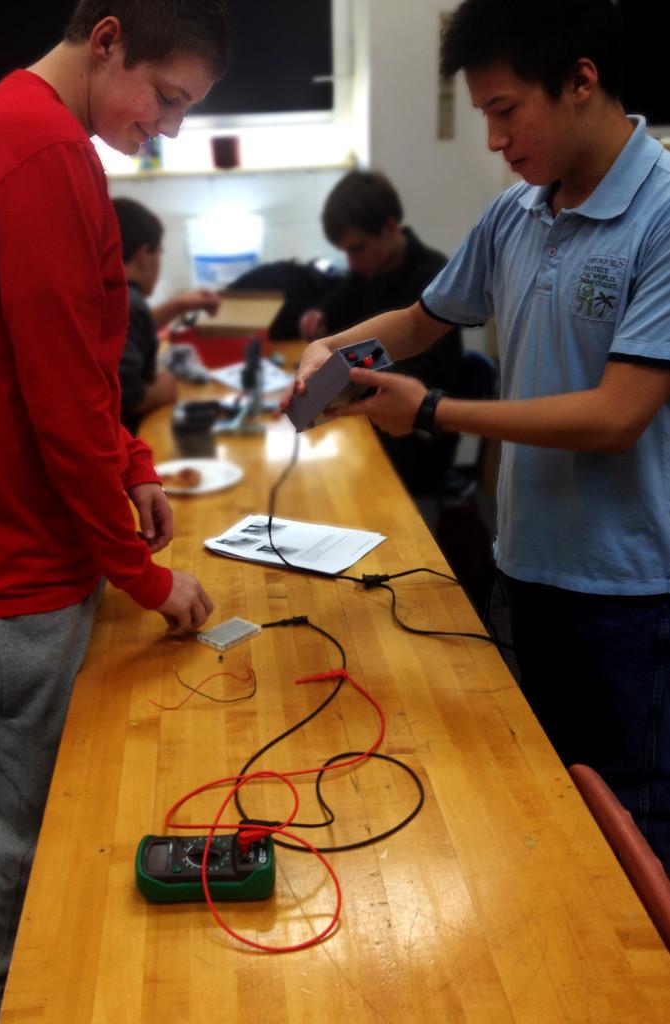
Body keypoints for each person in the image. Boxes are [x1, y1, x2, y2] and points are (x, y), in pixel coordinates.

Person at [287, 0, 670, 874]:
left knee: (631, 826)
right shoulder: (515, 215)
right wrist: (331, 350)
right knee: (540, 806)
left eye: (505, 111)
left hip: (627, 596)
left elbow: (614, 416)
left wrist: (430, 413)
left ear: (581, 81)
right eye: (485, 115)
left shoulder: (660, 217)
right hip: (522, 569)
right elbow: (421, 322)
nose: (494, 139)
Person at [0, 2, 229, 1019]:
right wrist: (149, 576)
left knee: (68, 833)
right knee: (48, 852)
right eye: (165, 98)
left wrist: (134, 462)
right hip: (21, 572)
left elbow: (78, 362)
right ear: (108, 39)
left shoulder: (47, 144)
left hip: (49, 554)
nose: (166, 125)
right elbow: (53, 403)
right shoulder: (32, 152)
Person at [301, 170, 464, 493]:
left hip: (415, 440)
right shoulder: (371, 267)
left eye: (356, 249)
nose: (351, 261)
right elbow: (340, 301)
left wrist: (346, 374)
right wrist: (320, 315)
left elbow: (423, 373)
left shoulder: (434, 277)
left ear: (390, 228)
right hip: (373, 419)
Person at [112, 195, 220, 433]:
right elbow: (125, 396)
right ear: (143, 256)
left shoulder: (112, 296)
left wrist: (179, 305)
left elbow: (127, 329)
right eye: (159, 252)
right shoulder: (129, 302)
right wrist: (158, 392)